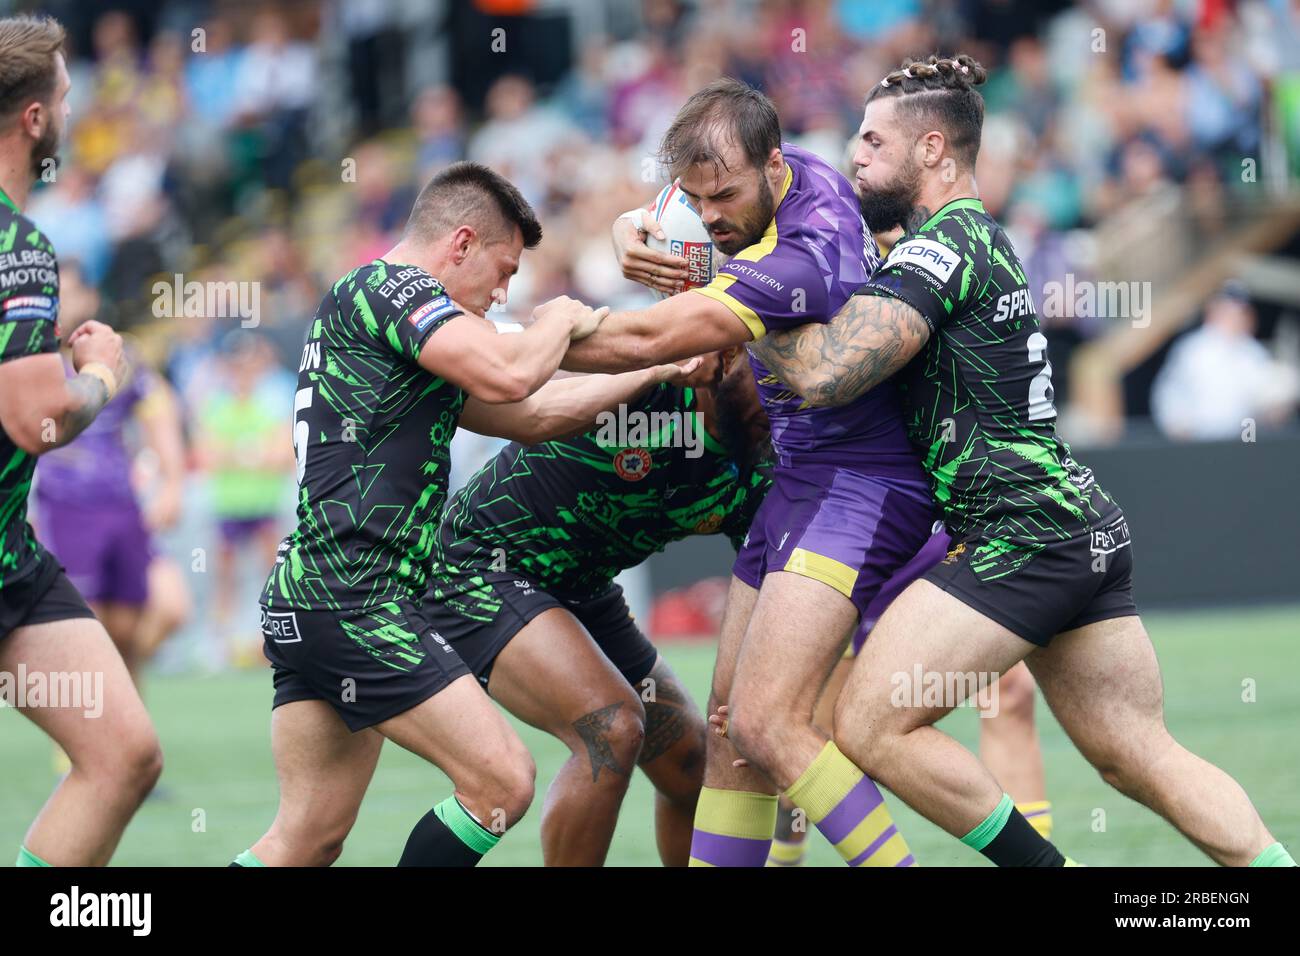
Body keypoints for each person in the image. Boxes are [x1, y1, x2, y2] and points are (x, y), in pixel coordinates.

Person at [744, 54, 1293, 867]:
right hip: (1079, 528)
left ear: (934, 150)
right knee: (1135, 754)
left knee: (868, 723)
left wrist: (740, 296)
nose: (853, 155)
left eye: (870, 140)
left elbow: (826, 373)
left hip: (1023, 535)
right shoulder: (957, 240)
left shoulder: (947, 246)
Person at [231, 161, 697, 867]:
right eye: (502, 269)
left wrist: (655, 367)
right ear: (460, 244)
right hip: (357, 598)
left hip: (314, 599)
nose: (504, 292)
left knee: (307, 838)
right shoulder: (392, 287)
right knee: (501, 780)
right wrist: (565, 315)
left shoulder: (402, 332)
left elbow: (534, 413)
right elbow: (512, 374)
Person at [565, 78, 928, 867]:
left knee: (768, 725)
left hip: (863, 484)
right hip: (800, 482)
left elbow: (651, 339)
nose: (710, 216)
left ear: (769, 166)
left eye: (722, 197)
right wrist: (635, 224)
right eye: (696, 199)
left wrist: (548, 333)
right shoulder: (771, 172)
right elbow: (677, 201)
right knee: (733, 728)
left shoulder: (808, 248)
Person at [426, 346, 771, 865]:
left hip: (583, 587)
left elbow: (766, 594)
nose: (781, 384)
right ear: (718, 359)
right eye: (763, 362)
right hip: (476, 566)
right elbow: (549, 369)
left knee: (692, 763)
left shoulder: (767, 457)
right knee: (610, 730)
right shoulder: (638, 387)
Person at [0, 13, 162, 867]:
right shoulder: (17, 248)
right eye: (65, 96)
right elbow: (40, 421)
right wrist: (102, 372)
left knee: (123, 754)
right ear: (35, 120)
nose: (72, 108)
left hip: (10, 563)